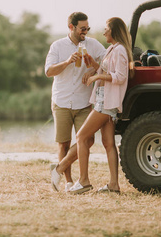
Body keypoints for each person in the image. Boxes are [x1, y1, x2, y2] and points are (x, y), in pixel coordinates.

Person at [51, 17, 133, 194]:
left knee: (81, 137)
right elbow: (106, 69)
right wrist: (93, 64)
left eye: (106, 29)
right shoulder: (112, 49)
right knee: (108, 143)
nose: (103, 32)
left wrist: (96, 76)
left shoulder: (119, 51)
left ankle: (83, 181)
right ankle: (113, 185)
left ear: (114, 31)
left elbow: (119, 77)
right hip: (103, 99)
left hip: (106, 102)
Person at [45, 12, 106, 192]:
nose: (85, 32)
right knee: (63, 143)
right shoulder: (57, 46)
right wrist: (66, 62)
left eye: (87, 28)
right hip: (61, 101)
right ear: (71, 27)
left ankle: (58, 168)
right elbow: (48, 71)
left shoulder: (93, 44)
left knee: (87, 140)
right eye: (82, 28)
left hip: (83, 102)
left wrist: (94, 71)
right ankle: (69, 181)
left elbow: (108, 62)